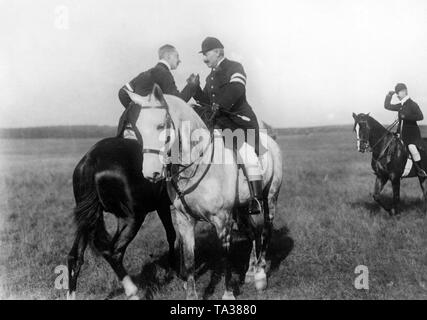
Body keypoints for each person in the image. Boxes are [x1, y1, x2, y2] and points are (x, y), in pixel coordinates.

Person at [188, 37, 264, 214]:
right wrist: (196, 89)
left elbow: (237, 89)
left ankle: (256, 199)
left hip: (239, 121)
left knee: (246, 153)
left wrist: (220, 104)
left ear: (217, 52)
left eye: (206, 54)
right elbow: (208, 101)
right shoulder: (210, 76)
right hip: (220, 123)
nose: (204, 59)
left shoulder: (235, 67)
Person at [117, 44, 196, 138]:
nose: (179, 60)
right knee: (179, 144)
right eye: (177, 56)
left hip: (127, 125)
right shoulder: (165, 74)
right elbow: (178, 102)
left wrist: (137, 112)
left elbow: (122, 93)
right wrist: (192, 86)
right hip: (148, 130)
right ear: (168, 56)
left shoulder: (144, 74)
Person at [384, 83, 427, 177]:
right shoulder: (401, 105)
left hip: (412, 136)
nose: (397, 95)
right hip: (401, 134)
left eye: (398, 93)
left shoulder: (413, 104)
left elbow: (420, 116)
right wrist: (389, 95)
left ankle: (421, 170)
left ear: (404, 92)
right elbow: (387, 106)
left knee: (412, 148)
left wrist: (406, 116)